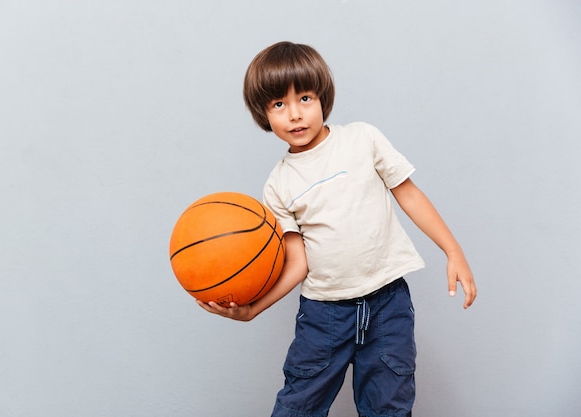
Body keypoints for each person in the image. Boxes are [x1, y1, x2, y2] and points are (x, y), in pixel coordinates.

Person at [197, 41, 477, 417]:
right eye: (279, 104)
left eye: (306, 98)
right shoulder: (278, 184)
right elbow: (298, 262)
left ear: (323, 98)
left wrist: (452, 250)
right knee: (299, 407)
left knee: (389, 408)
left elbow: (408, 195)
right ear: (263, 113)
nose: (295, 114)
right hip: (324, 315)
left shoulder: (363, 139)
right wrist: (253, 310)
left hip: (387, 305)